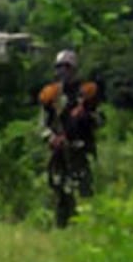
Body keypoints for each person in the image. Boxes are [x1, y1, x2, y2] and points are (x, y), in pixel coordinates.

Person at [39, 49, 102, 228]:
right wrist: (51, 137)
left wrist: (87, 115)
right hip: (59, 151)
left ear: (74, 69)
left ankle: (87, 227)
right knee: (60, 189)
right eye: (59, 67)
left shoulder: (87, 92)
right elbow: (43, 125)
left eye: (66, 67)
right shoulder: (51, 95)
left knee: (84, 190)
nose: (62, 71)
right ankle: (62, 225)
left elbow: (100, 119)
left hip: (81, 149)